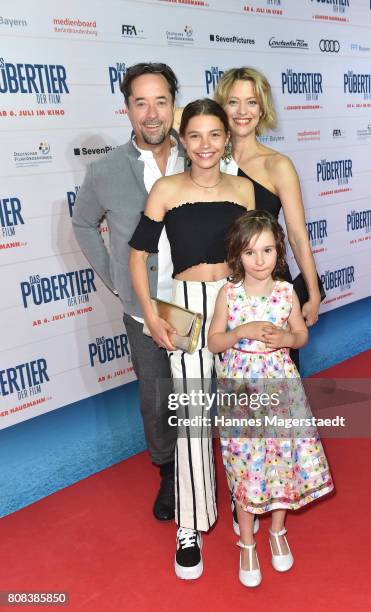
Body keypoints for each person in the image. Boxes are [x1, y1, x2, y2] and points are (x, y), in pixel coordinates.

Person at [128, 98, 255, 580]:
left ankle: (253, 507)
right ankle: (191, 524)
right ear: (183, 139)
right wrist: (149, 313)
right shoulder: (165, 189)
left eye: (214, 135)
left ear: (227, 139)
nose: (205, 145)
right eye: (195, 135)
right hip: (182, 307)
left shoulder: (244, 189)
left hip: (236, 300)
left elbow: (258, 253)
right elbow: (138, 254)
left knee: (248, 412)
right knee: (193, 419)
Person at [72, 62, 186, 522]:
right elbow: (82, 223)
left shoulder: (202, 156)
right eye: (141, 103)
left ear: (174, 105)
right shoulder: (104, 170)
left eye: (161, 101)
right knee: (157, 399)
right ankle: (168, 474)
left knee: (202, 392)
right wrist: (114, 278)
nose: (152, 113)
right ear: (127, 110)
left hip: (200, 302)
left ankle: (201, 468)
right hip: (143, 311)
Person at [208, 211, 334, 587]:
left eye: (267, 250)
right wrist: (240, 331)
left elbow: (301, 335)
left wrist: (287, 339)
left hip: (281, 388)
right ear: (237, 255)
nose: (259, 260)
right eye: (250, 252)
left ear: (278, 251)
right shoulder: (228, 294)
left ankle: (277, 531)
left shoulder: (285, 292)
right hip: (240, 391)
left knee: (281, 459)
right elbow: (214, 341)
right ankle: (246, 541)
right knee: (246, 465)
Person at [214, 66, 322, 329]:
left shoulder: (278, 165)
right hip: (225, 290)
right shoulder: (209, 160)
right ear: (221, 108)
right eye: (233, 102)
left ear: (261, 109)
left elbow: (297, 236)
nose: (242, 112)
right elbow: (173, 116)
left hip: (271, 290)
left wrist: (314, 292)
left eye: (252, 102)